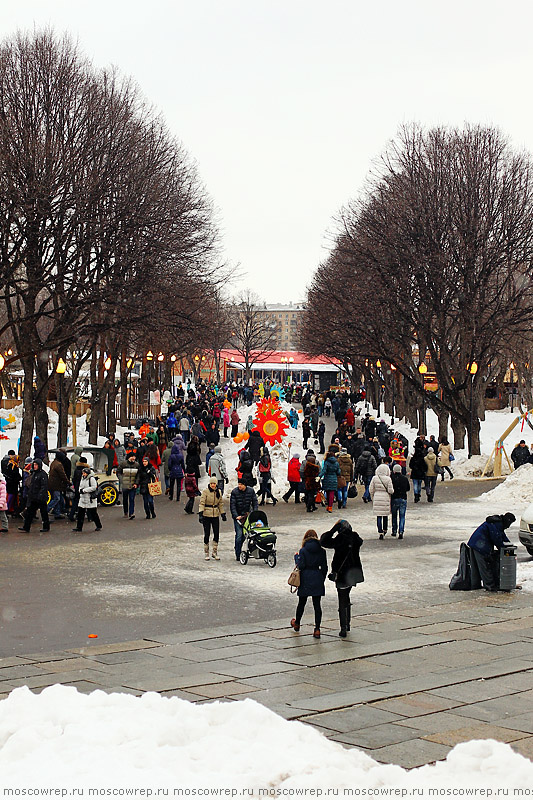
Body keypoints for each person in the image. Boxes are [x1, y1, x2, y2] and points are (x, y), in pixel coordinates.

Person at [320, 519, 364, 637]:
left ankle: (343, 627)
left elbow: (323, 541)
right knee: (346, 596)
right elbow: (360, 542)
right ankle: (347, 623)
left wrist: (333, 530)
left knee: (342, 598)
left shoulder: (341, 539)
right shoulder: (355, 538)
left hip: (342, 572)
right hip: (353, 573)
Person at [290, 529, 327, 639]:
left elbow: (301, 566)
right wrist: (321, 578)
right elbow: (324, 567)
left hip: (305, 578)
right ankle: (317, 629)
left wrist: (296, 557)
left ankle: (297, 623)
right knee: (317, 605)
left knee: (302, 602)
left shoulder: (303, 550)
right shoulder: (322, 551)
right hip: (317, 577)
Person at [467, 513, 515, 592]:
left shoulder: (498, 523)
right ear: (507, 521)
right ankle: (490, 586)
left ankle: (475, 585)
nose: (509, 526)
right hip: (480, 546)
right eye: (510, 523)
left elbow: (502, 536)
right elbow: (496, 538)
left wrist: (509, 545)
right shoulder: (496, 524)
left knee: (476, 567)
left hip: (475, 543)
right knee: (484, 566)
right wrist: (503, 549)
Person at [229, 479, 258, 561]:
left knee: (245, 535)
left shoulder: (251, 491)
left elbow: (255, 502)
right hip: (238, 517)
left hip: (247, 516)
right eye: (239, 484)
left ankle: (238, 546)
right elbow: (232, 506)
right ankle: (238, 554)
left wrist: (254, 513)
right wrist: (236, 516)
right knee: (239, 535)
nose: (239, 486)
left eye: (241, 484)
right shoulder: (234, 492)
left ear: (245, 485)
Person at [198, 478, 226, 561]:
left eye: (214, 483)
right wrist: (201, 513)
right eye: (211, 484)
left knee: (216, 533)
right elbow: (202, 503)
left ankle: (214, 551)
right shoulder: (205, 492)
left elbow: (220, 503)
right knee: (207, 534)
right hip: (206, 514)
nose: (213, 485)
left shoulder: (218, 492)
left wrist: (223, 513)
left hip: (215, 515)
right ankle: (206, 552)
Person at [19, 459, 49, 533]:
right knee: (30, 512)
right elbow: (31, 485)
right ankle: (26, 527)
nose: (35, 466)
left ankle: (46, 526)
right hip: (34, 497)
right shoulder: (34, 474)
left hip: (40, 497)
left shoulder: (42, 474)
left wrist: (40, 495)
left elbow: (44, 486)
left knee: (43, 512)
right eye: (34, 465)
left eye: (36, 465)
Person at [72, 466, 102, 533]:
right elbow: (80, 486)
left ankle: (98, 525)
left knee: (93, 513)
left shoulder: (91, 479)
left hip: (89, 498)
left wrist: (84, 490)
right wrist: (80, 490)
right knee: (80, 514)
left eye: (84, 473)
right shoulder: (83, 478)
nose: (83, 474)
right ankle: (79, 527)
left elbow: (94, 487)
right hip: (83, 498)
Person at [369, 462, 393, 539]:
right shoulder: (388, 479)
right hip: (385, 497)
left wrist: (372, 496)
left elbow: (371, 489)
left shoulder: (374, 478)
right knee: (385, 515)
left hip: (377, 496)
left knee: (378, 516)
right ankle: (385, 529)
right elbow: (391, 490)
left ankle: (380, 531)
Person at [117, 453, 140, 519]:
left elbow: (138, 475)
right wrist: (122, 480)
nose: (133, 458)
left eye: (134, 457)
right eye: (132, 457)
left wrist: (136, 483)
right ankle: (126, 512)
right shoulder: (123, 464)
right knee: (125, 499)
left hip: (133, 485)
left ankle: (131, 513)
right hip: (125, 485)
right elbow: (118, 472)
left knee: (132, 499)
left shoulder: (137, 465)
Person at [391, 464, 410, 539]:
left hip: (394, 498)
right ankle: (401, 531)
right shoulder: (404, 479)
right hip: (403, 498)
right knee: (402, 516)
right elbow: (408, 488)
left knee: (394, 516)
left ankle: (394, 530)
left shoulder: (392, 479)